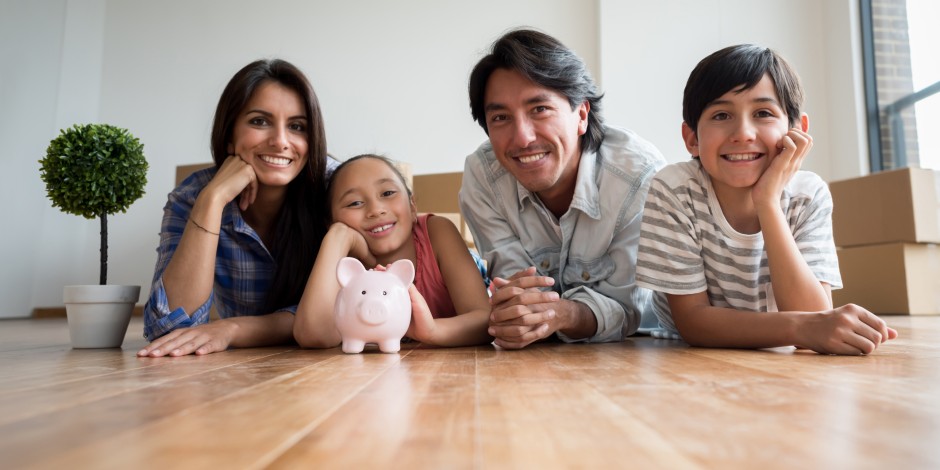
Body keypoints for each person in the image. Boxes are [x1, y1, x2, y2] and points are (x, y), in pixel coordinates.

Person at [635, 44, 898, 355]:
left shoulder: (807, 194)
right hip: (681, 347)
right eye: (721, 115)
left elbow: (813, 317)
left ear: (797, 130)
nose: (743, 133)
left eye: (763, 113)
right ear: (692, 139)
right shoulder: (675, 188)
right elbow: (693, 323)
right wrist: (801, 327)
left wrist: (768, 202)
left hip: (775, 344)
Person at [458, 29, 666, 349]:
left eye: (539, 109)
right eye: (500, 117)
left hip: (637, 351)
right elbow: (518, 294)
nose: (523, 138)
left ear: (581, 114)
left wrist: (562, 314)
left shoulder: (639, 177)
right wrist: (525, 314)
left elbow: (626, 308)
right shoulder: (483, 176)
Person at [139, 59, 336, 357]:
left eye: (297, 127)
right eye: (259, 121)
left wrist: (234, 329)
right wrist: (213, 200)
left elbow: (348, 309)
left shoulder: (336, 188)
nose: (281, 141)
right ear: (229, 134)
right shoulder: (193, 195)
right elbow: (168, 329)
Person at [293, 154, 493, 348]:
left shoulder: (437, 232)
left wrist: (432, 331)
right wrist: (338, 237)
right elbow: (314, 335)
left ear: (413, 205)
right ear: (330, 222)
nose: (376, 209)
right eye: (354, 203)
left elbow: (484, 319)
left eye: (388, 193)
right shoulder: (342, 263)